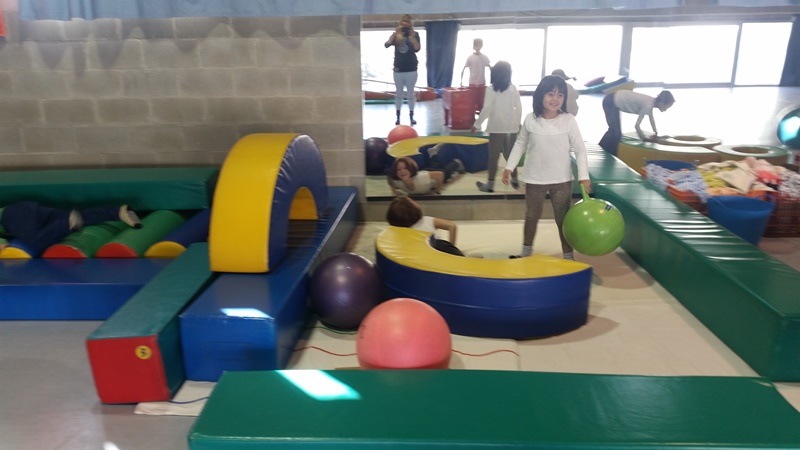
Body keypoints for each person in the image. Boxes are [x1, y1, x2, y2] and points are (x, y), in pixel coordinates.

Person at [502, 75, 591, 261]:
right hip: (535, 179)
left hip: (561, 180)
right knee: (531, 216)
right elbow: (520, 144)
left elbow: (580, 150)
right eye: (551, 94)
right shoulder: (531, 119)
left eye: (560, 95)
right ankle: (525, 253)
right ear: (541, 95)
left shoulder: (568, 120)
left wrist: (584, 176)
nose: (555, 99)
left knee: (563, 219)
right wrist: (509, 167)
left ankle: (568, 256)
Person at [0, 202, 142, 256]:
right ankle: (118, 212)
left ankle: (66, 223)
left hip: (14, 215)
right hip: (34, 212)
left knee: (33, 244)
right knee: (79, 219)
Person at [471, 61, 523, 193]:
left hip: (496, 127)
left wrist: (476, 124)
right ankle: (515, 180)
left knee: (493, 156)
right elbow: (519, 107)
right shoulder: (513, 89)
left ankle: (490, 185)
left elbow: (487, 108)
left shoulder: (491, 89)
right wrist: (518, 123)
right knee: (511, 155)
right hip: (511, 128)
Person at [598, 89, 676, 155]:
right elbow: (637, 126)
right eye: (668, 106)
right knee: (615, 133)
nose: (666, 109)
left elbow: (651, 119)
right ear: (663, 103)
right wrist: (644, 138)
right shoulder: (648, 104)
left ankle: (604, 151)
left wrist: (656, 132)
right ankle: (605, 153)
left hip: (613, 99)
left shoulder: (651, 102)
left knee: (615, 132)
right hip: (611, 101)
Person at [385, 195, 464, 256]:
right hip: (437, 248)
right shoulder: (426, 220)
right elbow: (452, 226)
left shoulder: (398, 232)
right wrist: (451, 245)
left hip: (421, 254)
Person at [385, 14, 421, 126]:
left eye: (407, 23)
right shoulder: (396, 35)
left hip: (411, 69)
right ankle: (398, 117)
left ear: (410, 24)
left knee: (410, 94)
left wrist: (412, 38)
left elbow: (417, 48)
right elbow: (386, 44)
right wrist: (395, 33)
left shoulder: (415, 34)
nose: (405, 26)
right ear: (400, 24)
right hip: (398, 69)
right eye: (403, 23)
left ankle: (411, 116)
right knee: (399, 94)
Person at [387, 154, 465, 196]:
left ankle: (456, 163)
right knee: (434, 166)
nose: (402, 171)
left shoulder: (421, 178)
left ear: (410, 169)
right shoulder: (397, 182)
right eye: (399, 169)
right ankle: (434, 156)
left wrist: (437, 191)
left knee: (446, 173)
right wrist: (394, 191)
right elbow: (390, 179)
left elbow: (440, 175)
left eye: (405, 168)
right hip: (426, 174)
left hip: (432, 180)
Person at [460, 38, 491, 114]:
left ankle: (480, 115)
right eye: (476, 45)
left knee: (481, 101)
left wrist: (493, 79)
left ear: (482, 46)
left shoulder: (485, 57)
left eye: (479, 45)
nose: (478, 47)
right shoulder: (470, 57)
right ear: (473, 46)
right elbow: (464, 69)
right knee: (472, 100)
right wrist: (461, 81)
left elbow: (490, 67)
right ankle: (471, 115)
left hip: (482, 82)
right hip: (472, 82)